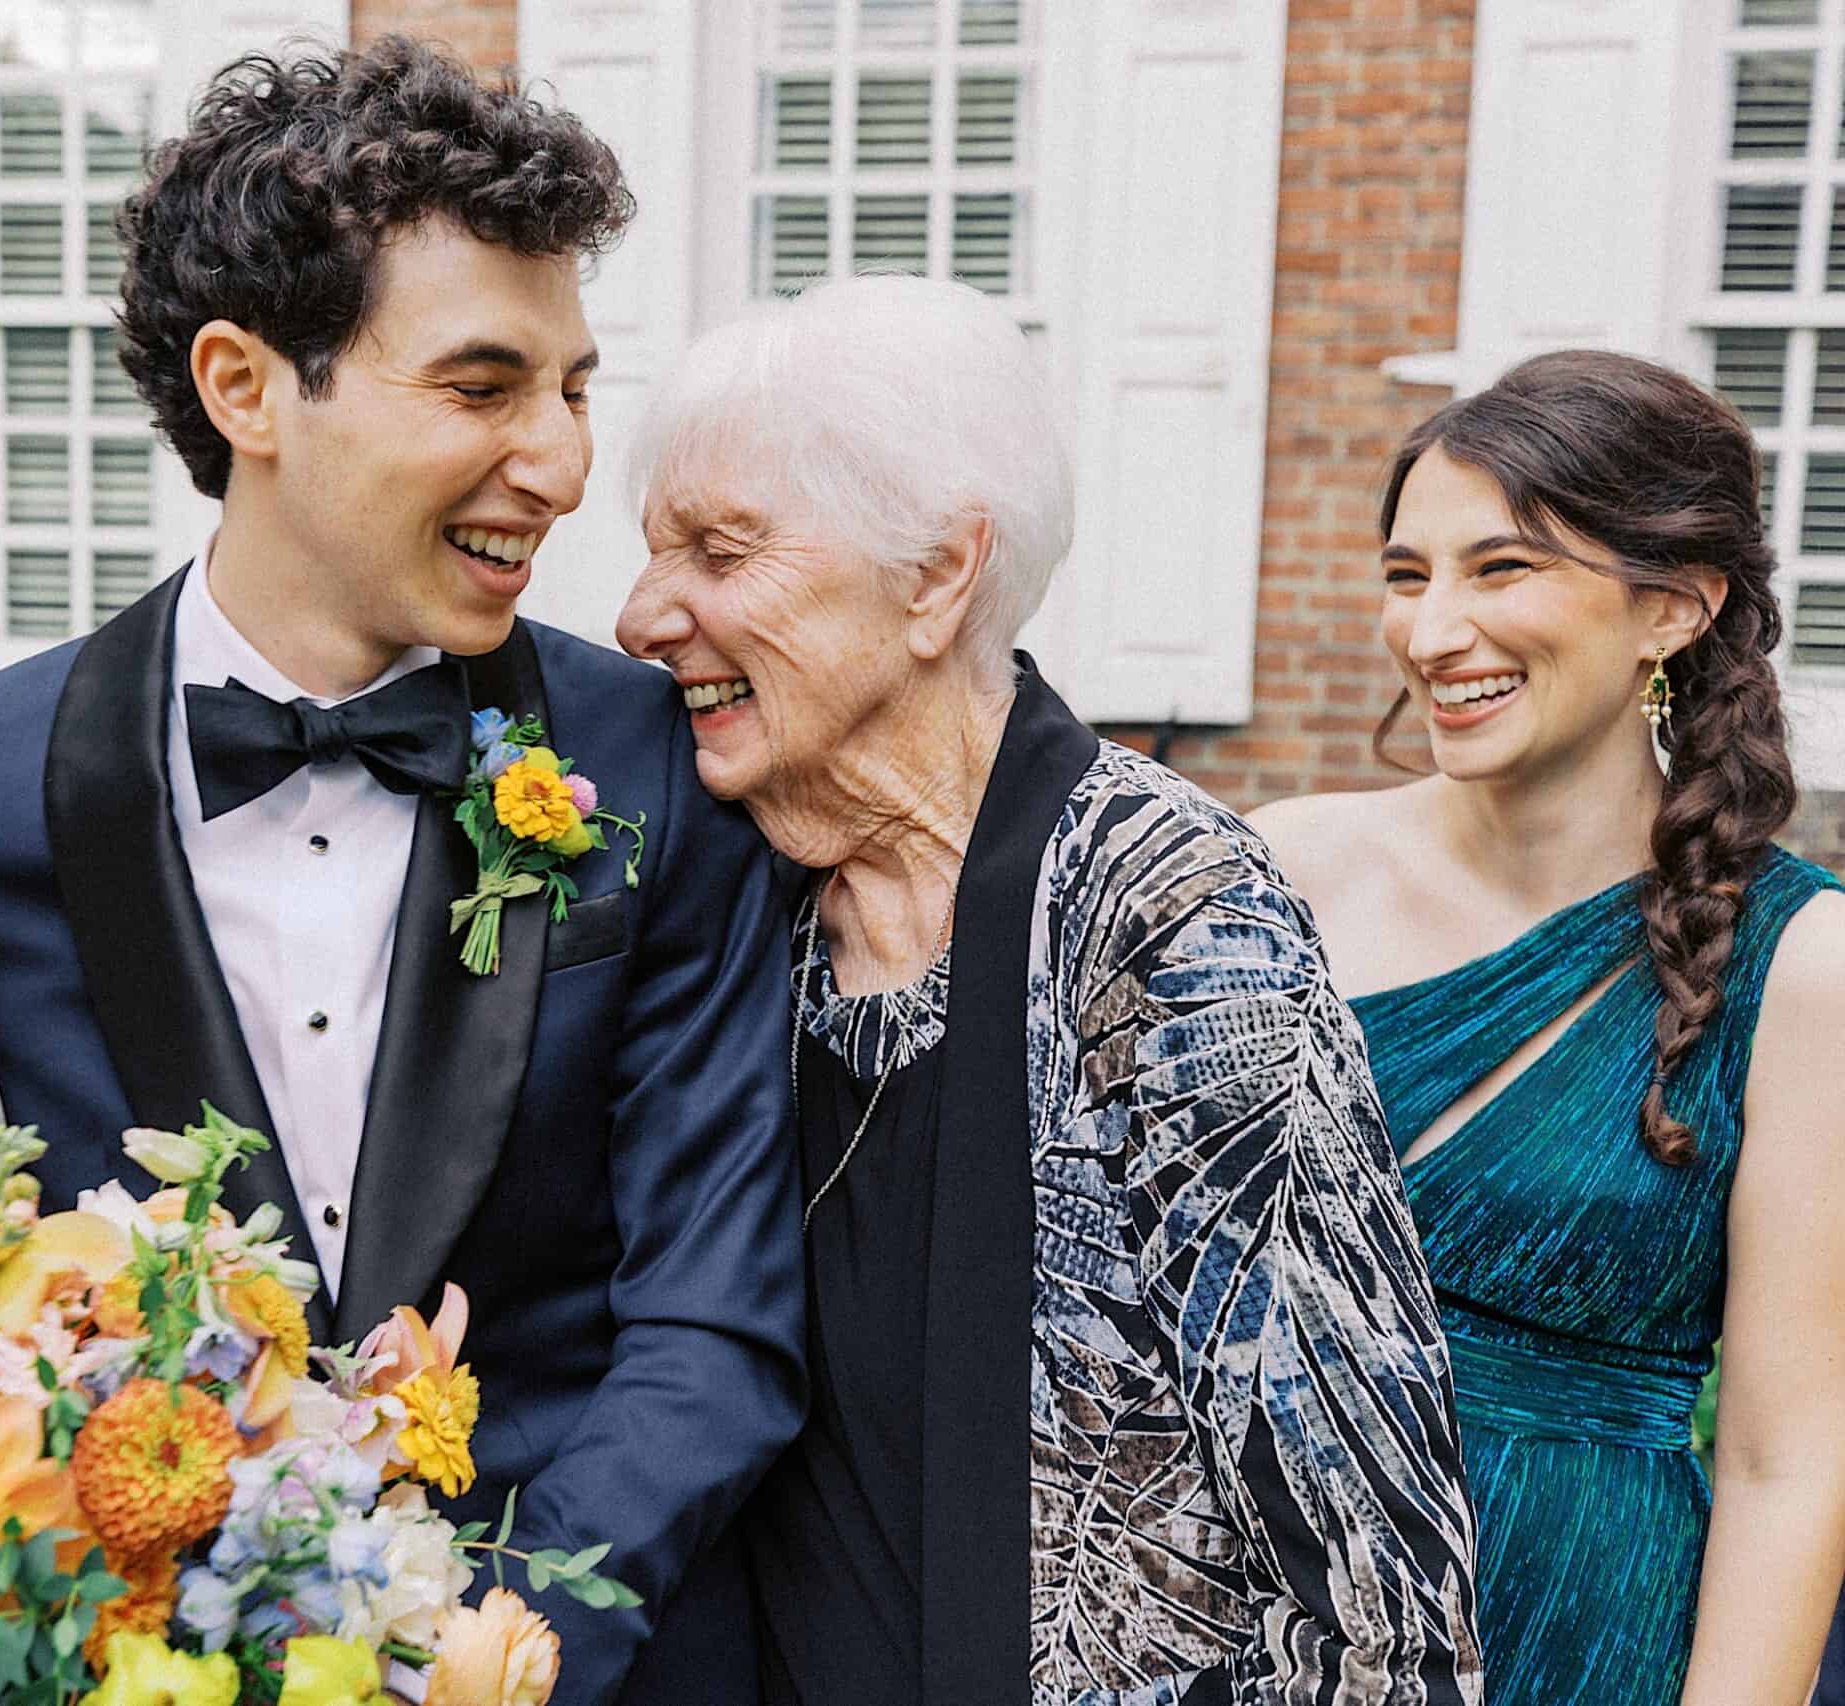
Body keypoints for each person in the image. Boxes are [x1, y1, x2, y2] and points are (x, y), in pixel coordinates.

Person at [0, 38, 806, 1706]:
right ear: (246, 388)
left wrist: (478, 1654)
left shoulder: (661, 761)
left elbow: (713, 1324)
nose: (564, 462)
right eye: (481, 384)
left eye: (574, 387)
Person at [615, 273, 1484, 1706]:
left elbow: (1378, 1574)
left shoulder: (1162, 903)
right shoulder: (730, 897)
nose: (648, 614)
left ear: (938, 577)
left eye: (720, 550)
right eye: (655, 554)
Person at [1253, 350, 1845, 1705]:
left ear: (1675, 607)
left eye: (1501, 569)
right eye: (1408, 575)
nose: (1434, 628)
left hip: (1582, 1631)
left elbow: (1783, 1458)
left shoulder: (1805, 967)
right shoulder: (1280, 871)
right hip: (1266, 1607)